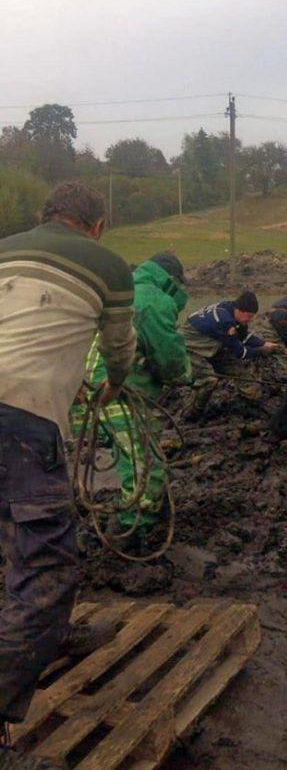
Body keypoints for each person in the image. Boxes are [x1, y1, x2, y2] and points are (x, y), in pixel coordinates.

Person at [0, 182, 136, 736]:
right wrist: (112, 385)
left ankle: (45, 635)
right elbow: (119, 349)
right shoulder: (110, 265)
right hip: (22, 420)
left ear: (46, 216)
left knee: (15, 540)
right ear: (97, 226)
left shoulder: (5, 248)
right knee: (46, 568)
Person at [73, 251, 191, 541]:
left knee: (129, 452)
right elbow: (169, 357)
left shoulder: (117, 289)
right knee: (144, 464)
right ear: (172, 280)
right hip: (116, 393)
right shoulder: (153, 298)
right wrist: (185, 375)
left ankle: (145, 514)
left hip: (83, 391)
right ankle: (133, 529)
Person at [182, 291, 279, 416]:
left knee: (240, 369)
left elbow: (244, 337)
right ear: (239, 310)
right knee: (208, 380)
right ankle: (192, 412)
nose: (250, 320)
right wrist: (262, 351)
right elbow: (240, 352)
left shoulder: (230, 309)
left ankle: (252, 402)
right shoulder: (226, 322)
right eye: (249, 316)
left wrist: (264, 343)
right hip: (189, 348)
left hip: (211, 345)